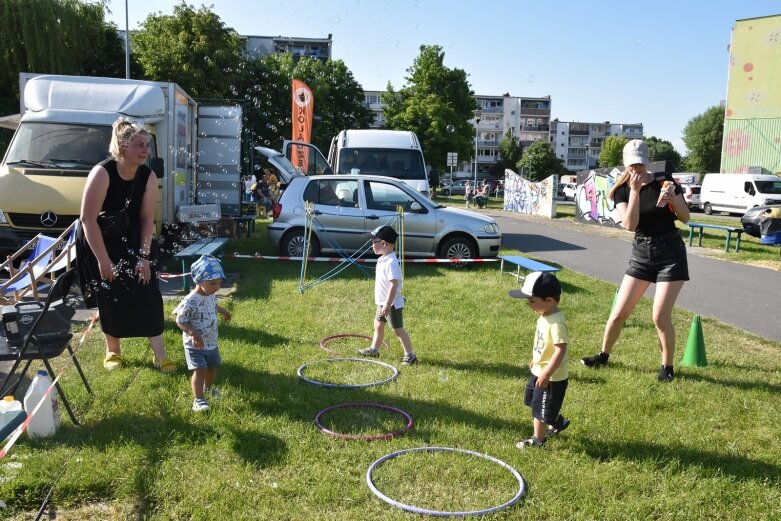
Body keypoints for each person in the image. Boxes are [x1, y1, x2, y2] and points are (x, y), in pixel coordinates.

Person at [581, 139, 690, 382]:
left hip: (670, 253)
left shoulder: (666, 182)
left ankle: (667, 367)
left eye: (640, 164)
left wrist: (673, 198)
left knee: (660, 316)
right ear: (625, 163)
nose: (636, 170)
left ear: (647, 161)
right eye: (632, 165)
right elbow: (630, 225)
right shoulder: (621, 189)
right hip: (642, 253)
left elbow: (686, 217)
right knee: (619, 313)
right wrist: (634, 191)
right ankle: (603, 355)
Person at [76, 118, 175, 372]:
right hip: (99, 240)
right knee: (110, 295)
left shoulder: (148, 175)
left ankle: (160, 355)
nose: (145, 150)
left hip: (133, 239)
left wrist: (143, 257)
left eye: (147, 146)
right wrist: (103, 260)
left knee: (148, 293)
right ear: (121, 147)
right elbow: (88, 219)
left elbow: (146, 219)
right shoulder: (102, 172)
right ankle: (113, 352)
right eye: (139, 145)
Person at [509, 271, 571, 449]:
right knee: (531, 401)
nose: (529, 305)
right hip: (539, 371)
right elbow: (544, 345)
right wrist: (535, 360)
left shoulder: (556, 324)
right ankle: (557, 420)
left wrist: (546, 373)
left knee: (540, 411)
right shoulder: (544, 316)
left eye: (532, 301)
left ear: (549, 300)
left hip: (551, 378)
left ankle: (538, 440)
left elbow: (560, 351)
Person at [174, 255, 231, 412]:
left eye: (220, 282)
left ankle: (209, 388)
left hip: (211, 341)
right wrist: (193, 333)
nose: (217, 287)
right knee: (200, 371)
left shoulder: (210, 294)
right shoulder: (190, 301)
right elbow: (180, 320)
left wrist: (223, 311)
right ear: (198, 280)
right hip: (195, 344)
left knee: (212, 367)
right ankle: (198, 400)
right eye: (212, 283)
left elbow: (213, 305)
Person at [357, 226, 417, 365]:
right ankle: (374, 349)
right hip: (382, 302)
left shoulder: (391, 262)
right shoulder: (382, 259)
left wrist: (388, 304)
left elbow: (393, 284)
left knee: (397, 330)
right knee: (378, 325)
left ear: (383, 243)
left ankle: (410, 355)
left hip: (392, 304)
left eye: (373, 242)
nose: (372, 245)